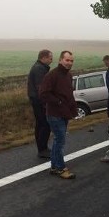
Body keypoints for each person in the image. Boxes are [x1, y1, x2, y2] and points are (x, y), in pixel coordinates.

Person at [38, 50, 78, 179]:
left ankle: (55, 167)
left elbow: (69, 94)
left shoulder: (68, 75)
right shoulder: (52, 75)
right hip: (54, 114)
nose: (69, 63)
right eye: (67, 60)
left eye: (71, 61)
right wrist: (59, 102)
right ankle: (60, 168)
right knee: (60, 141)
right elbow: (43, 94)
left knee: (58, 141)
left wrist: (73, 110)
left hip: (64, 113)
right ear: (60, 60)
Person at [27, 49, 53, 158]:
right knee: (45, 124)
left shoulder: (39, 67)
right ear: (44, 57)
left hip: (36, 100)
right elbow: (40, 88)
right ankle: (42, 149)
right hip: (39, 101)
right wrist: (45, 102)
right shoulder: (39, 69)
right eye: (50, 58)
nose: (52, 60)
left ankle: (42, 148)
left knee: (40, 124)